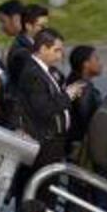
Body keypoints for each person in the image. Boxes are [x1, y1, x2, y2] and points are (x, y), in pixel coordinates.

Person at [14, 28, 73, 170]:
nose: (60, 56)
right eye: (56, 50)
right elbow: (44, 109)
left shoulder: (44, 69)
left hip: (51, 140)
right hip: (45, 143)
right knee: (45, 180)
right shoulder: (33, 74)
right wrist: (68, 96)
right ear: (42, 49)